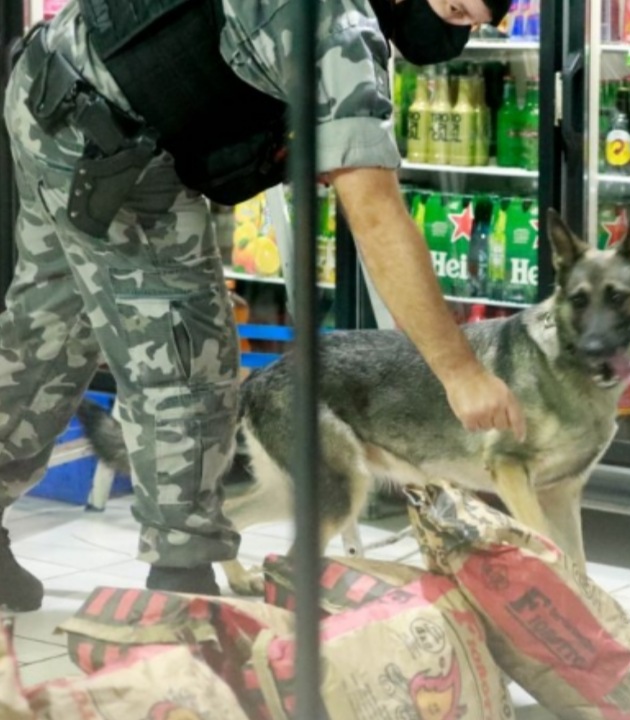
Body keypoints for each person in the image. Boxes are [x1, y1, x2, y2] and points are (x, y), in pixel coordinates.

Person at [0, 0, 525, 612]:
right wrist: (459, 372)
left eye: (471, 21)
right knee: (186, 356)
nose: (455, 26)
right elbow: (376, 214)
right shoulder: (339, 29)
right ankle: (184, 595)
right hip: (106, 145)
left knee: (46, 336)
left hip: (50, 83)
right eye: (456, 7)